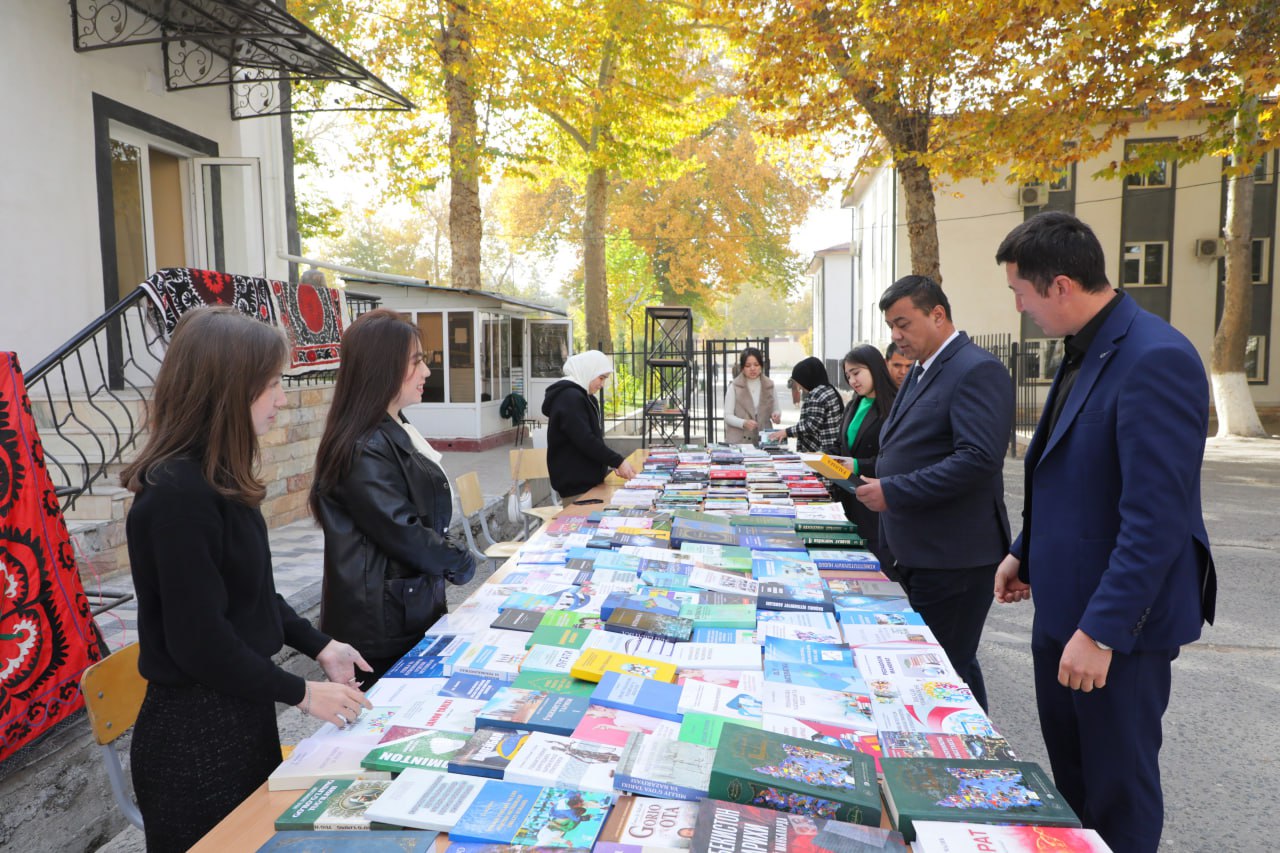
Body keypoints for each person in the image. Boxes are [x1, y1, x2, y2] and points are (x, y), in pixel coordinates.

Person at [992, 211, 1216, 853]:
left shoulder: (1157, 356)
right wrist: (1023, 552)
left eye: (1021, 293)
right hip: (1064, 615)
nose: (1019, 307)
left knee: (1118, 797)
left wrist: (1102, 631)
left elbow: (1157, 518)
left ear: (1060, 285)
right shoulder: (1086, 346)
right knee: (1076, 791)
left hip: (1117, 630)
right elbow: (1069, 472)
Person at [121, 307, 372, 852]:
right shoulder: (178, 498)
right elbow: (201, 643)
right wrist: (303, 694)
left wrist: (320, 644)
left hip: (238, 714)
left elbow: (253, 594)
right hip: (195, 739)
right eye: (271, 384)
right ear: (226, 390)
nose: (282, 398)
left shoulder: (217, 479)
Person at [855, 275, 1013, 712]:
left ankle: (972, 764)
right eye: (891, 327)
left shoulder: (976, 368)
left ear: (938, 314)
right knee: (951, 666)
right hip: (921, 551)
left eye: (903, 324)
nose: (896, 337)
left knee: (942, 668)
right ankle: (979, 760)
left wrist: (894, 491)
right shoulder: (923, 370)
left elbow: (978, 459)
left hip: (955, 557)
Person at [310, 309, 476, 689]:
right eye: (417, 362)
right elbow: (404, 533)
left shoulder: (394, 427)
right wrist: (459, 560)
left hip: (407, 609)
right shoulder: (364, 445)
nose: (427, 372)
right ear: (383, 367)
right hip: (381, 627)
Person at [542, 350, 637, 503]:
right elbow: (586, 440)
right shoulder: (570, 398)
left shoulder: (585, 397)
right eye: (601, 378)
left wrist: (611, 464)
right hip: (577, 488)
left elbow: (593, 440)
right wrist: (618, 461)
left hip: (590, 485)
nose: (602, 384)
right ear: (588, 371)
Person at [837, 344, 897, 573]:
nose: (852, 380)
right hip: (849, 495)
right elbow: (843, 443)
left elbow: (892, 459)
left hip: (876, 502)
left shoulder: (892, 406)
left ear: (874, 367)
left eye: (857, 372)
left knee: (878, 566)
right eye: (848, 375)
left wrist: (856, 464)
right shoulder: (854, 403)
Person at [767, 356, 843, 453]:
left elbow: (810, 426)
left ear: (808, 378)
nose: (800, 388)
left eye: (800, 383)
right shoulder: (828, 389)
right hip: (830, 448)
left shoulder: (817, 394)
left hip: (820, 451)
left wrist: (786, 432)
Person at [723, 346, 780, 444]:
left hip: (764, 439)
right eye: (748, 366)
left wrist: (776, 415)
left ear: (761, 366)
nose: (752, 368)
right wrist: (743, 423)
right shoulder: (734, 386)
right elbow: (727, 416)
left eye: (756, 364)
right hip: (739, 440)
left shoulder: (769, 385)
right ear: (742, 368)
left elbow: (776, 409)